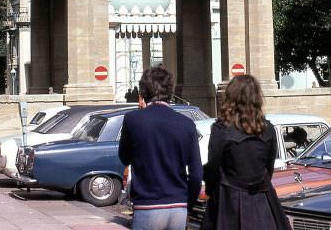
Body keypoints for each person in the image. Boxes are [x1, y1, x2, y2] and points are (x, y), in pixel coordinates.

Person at [202, 75, 291, 230]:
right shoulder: (268, 129)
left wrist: (212, 191)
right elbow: (268, 170)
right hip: (262, 200)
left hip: (229, 201)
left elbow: (213, 167)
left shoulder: (221, 129)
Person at [118, 67, 202, 230]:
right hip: (178, 206)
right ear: (170, 92)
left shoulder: (133, 120)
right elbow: (196, 174)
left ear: (142, 93)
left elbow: (124, 157)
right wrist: (187, 204)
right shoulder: (187, 124)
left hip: (147, 205)